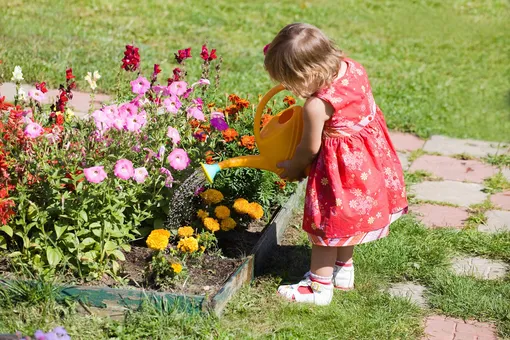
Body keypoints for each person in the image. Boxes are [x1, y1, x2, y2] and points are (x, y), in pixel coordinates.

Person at [264, 23, 408, 305]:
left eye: (292, 81)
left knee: (326, 224)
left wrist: (294, 167)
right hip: (368, 160)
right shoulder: (352, 67)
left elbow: (310, 148)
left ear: (308, 74)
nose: (292, 89)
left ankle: (318, 288)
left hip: (340, 170)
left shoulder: (317, 106)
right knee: (347, 218)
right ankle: (343, 270)